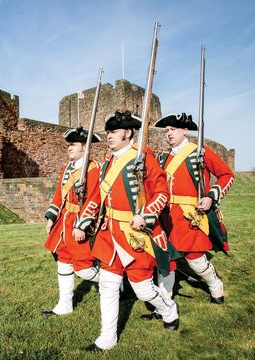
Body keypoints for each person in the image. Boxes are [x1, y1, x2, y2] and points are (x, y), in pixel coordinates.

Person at [85, 111, 179, 352]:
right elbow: (97, 196)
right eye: (107, 132)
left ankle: (168, 309)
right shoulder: (107, 163)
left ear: (128, 132)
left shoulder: (142, 156)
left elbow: (161, 193)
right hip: (110, 233)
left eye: (113, 132)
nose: (109, 136)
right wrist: (84, 221)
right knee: (108, 284)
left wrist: (146, 215)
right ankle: (107, 339)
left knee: (143, 289)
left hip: (136, 235)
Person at [150, 113, 234, 306]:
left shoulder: (199, 152)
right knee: (165, 260)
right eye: (167, 130)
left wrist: (211, 196)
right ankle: (165, 303)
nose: (169, 133)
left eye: (173, 129)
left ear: (185, 130)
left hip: (189, 215)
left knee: (195, 259)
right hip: (165, 215)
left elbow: (226, 175)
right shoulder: (162, 158)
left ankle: (215, 284)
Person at [43, 126, 101, 316]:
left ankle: (112, 282)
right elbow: (59, 195)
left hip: (80, 223)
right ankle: (65, 305)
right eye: (69, 145)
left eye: (73, 145)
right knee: (63, 262)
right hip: (64, 222)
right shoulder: (68, 168)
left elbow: (94, 199)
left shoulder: (93, 169)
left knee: (83, 268)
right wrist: (52, 217)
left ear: (84, 147)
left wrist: (82, 224)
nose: (69, 148)